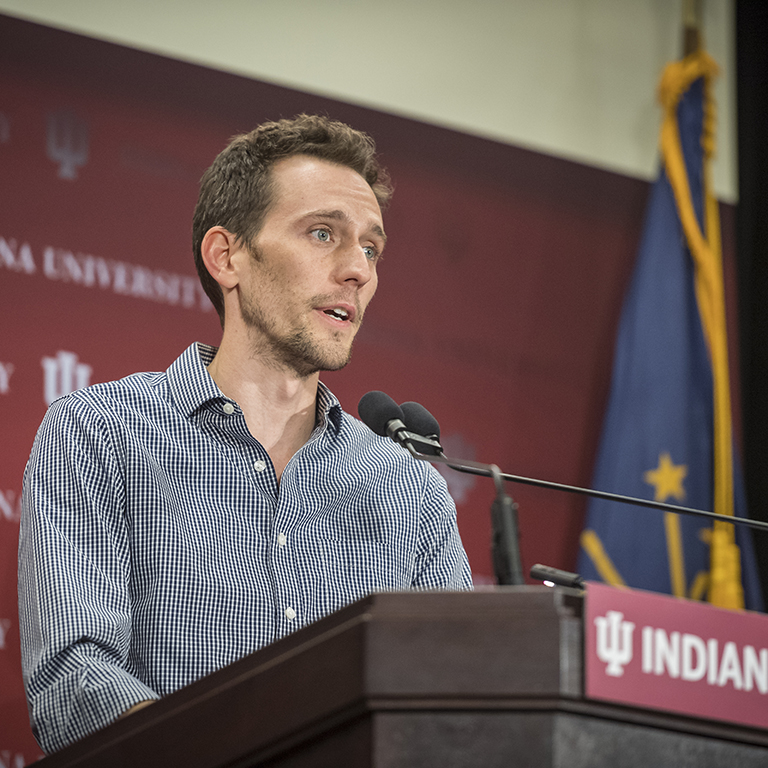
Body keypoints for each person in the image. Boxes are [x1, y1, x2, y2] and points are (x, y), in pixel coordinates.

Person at [18, 114, 472, 754]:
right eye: (324, 234)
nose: (358, 271)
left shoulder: (407, 490)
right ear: (227, 256)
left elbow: (456, 710)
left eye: (371, 248)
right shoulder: (100, 432)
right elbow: (75, 681)